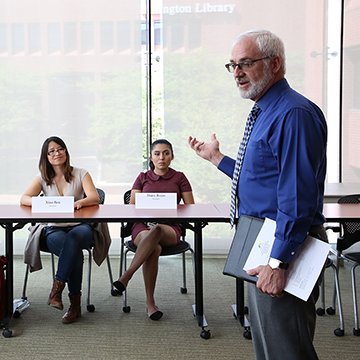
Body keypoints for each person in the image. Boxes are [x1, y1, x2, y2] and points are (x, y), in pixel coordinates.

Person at [188, 30, 327, 360]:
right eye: (232, 65)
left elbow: (296, 196)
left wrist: (278, 262)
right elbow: (259, 178)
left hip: (284, 247)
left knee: (286, 350)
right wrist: (216, 159)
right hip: (266, 243)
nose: (237, 73)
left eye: (246, 63)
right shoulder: (268, 112)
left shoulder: (292, 114)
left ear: (275, 63)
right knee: (271, 347)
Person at [21, 136, 111, 324]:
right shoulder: (42, 178)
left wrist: (80, 202)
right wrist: (42, 202)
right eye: (51, 151)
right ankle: (75, 306)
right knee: (73, 250)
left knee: (73, 240)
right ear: (46, 157)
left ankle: (57, 289)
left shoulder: (80, 173)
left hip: (81, 227)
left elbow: (94, 197)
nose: (56, 153)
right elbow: (24, 199)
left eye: (60, 149)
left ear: (66, 152)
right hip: (54, 229)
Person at [113, 139, 194, 320]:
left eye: (166, 153)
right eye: (157, 153)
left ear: (172, 156)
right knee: (154, 248)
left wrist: (170, 207)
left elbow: (191, 208)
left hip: (169, 228)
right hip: (142, 226)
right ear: (151, 156)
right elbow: (132, 208)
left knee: (156, 230)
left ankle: (126, 276)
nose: (161, 157)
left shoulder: (180, 177)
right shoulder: (142, 177)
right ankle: (151, 304)